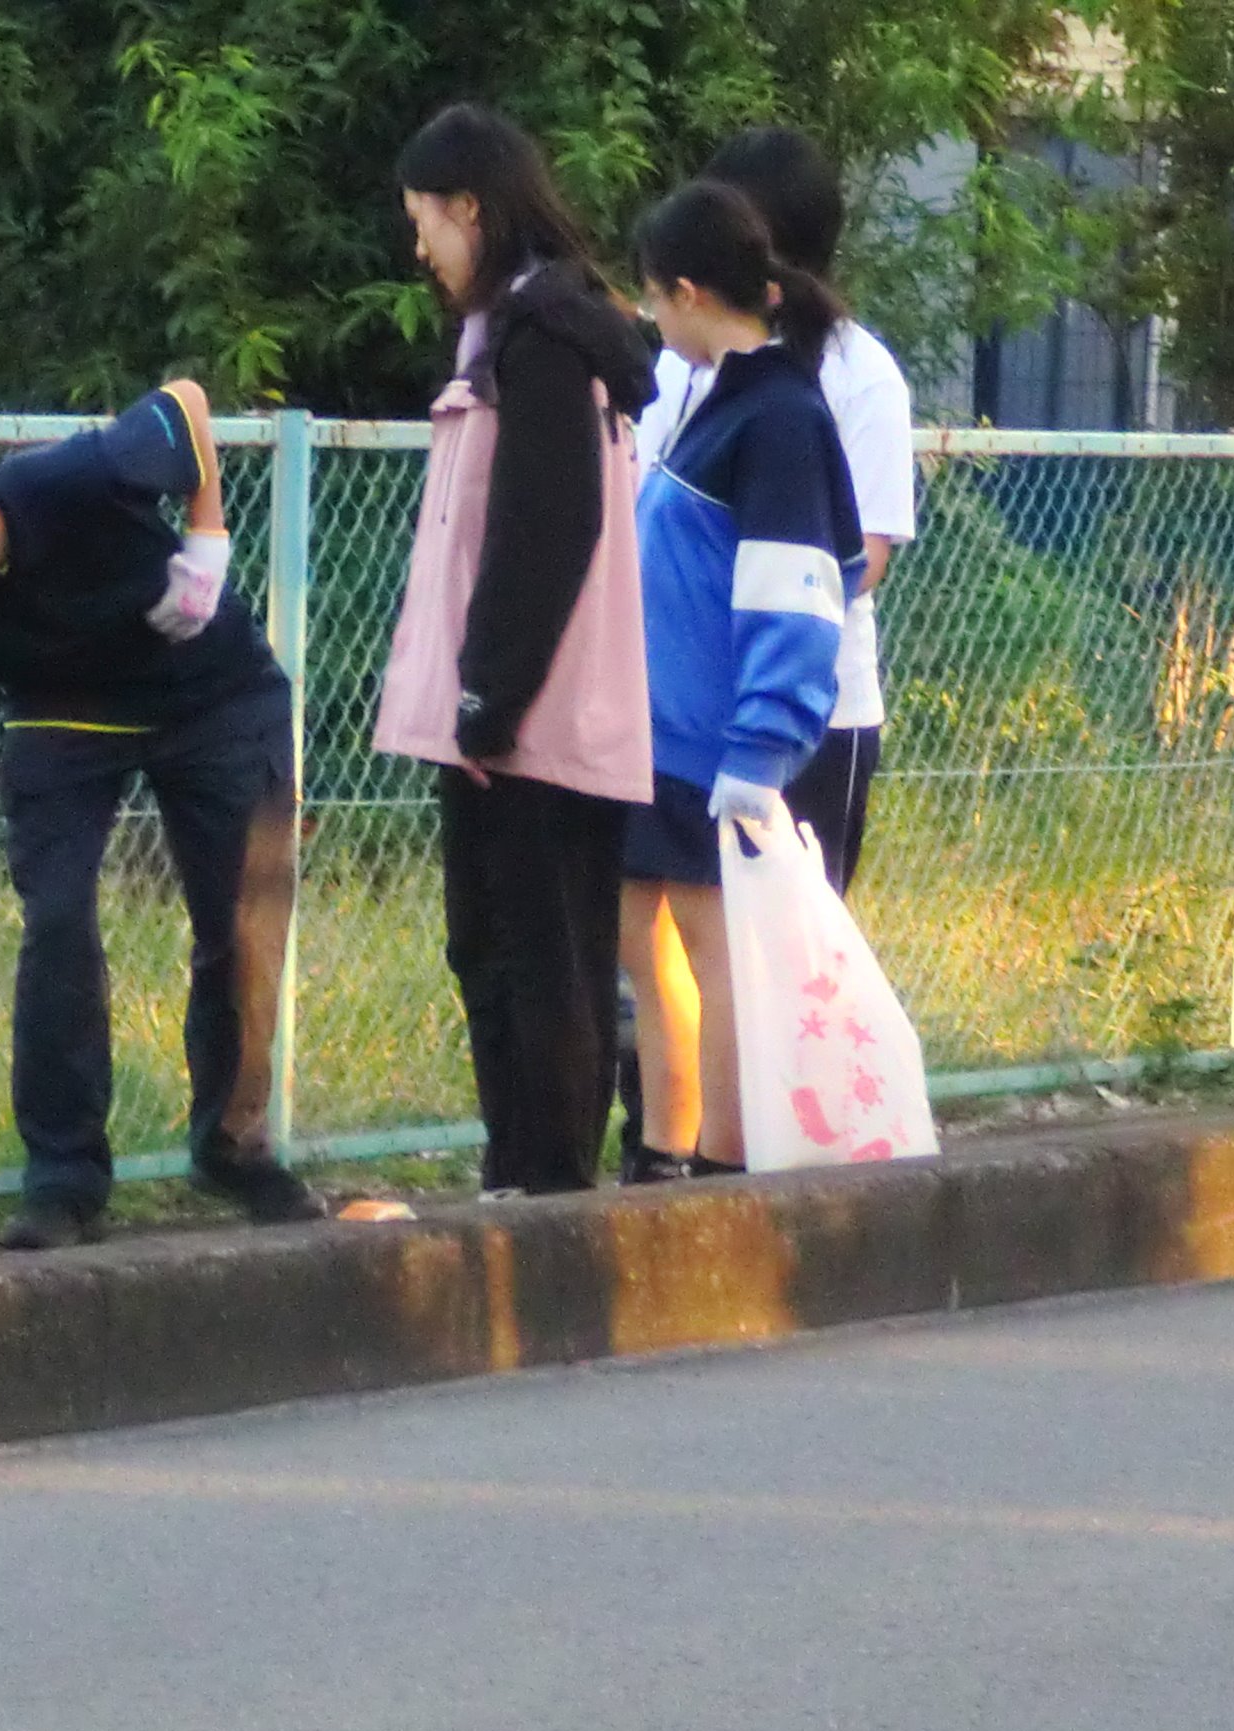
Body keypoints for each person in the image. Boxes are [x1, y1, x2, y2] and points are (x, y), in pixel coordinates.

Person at [0, 381, 324, 1250]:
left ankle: (234, 1149)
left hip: (214, 696)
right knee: (55, 919)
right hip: (65, 715)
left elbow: (189, 401)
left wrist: (208, 540)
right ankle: (63, 1178)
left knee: (240, 925)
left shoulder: (82, 478)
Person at [375, 103, 658, 1196]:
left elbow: (543, 527)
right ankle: (537, 1174)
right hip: (540, 708)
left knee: (527, 957)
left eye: (426, 222)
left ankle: (541, 1186)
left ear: (472, 210)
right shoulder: (536, 327)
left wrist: (489, 696)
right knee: (539, 951)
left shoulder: (538, 338)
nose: (420, 248)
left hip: (524, 716)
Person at [622, 180, 864, 1181]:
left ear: (686, 289)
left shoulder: (775, 417)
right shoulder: (737, 402)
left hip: (714, 735)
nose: (644, 316)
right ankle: (665, 1143)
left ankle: (717, 1154)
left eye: (649, 296)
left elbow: (800, 591)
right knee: (651, 933)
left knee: (709, 947)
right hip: (672, 730)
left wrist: (761, 744)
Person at [636, 127, 915, 895]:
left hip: (815, 720)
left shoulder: (859, 374)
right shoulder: (680, 359)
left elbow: (864, 558)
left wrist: (751, 625)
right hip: (687, 718)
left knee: (784, 964)